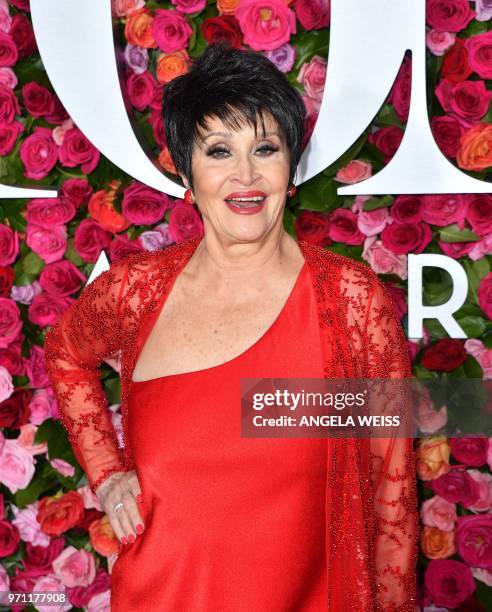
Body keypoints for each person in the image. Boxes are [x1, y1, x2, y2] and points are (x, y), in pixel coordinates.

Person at [44, 43, 418, 611]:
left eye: (265, 148)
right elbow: (66, 353)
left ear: (291, 168)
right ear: (188, 173)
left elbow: (391, 481)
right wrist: (106, 472)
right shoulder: (136, 291)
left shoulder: (350, 301)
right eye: (219, 150)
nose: (245, 174)